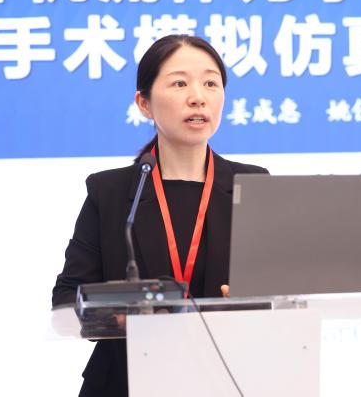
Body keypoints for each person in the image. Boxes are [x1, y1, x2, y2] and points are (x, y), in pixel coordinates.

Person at [52, 34, 268, 396]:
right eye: (180, 83)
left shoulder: (252, 185)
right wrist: (123, 317)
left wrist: (255, 302)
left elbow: (281, 296)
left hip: (226, 382)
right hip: (124, 383)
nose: (198, 96)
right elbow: (65, 300)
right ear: (144, 103)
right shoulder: (111, 192)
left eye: (211, 83)